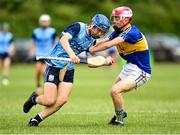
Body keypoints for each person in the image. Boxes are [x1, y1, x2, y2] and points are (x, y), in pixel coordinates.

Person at [23, 14, 112, 126]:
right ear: (92, 25)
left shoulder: (91, 40)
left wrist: (104, 62)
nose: (99, 34)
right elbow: (63, 40)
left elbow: (91, 63)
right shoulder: (78, 27)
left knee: (62, 100)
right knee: (49, 100)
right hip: (54, 65)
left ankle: (36, 120)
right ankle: (34, 99)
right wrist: (71, 55)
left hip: (68, 68)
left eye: (102, 32)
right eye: (98, 30)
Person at [89, 6, 151, 126]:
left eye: (117, 18)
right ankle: (121, 113)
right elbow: (104, 40)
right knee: (114, 91)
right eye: (114, 18)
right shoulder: (118, 31)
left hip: (141, 70)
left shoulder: (132, 32)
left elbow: (109, 45)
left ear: (126, 19)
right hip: (129, 66)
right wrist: (88, 45)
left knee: (115, 91)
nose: (114, 20)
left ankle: (119, 120)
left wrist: (92, 50)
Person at [30, 14, 56, 93]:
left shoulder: (52, 31)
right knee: (37, 70)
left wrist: (54, 52)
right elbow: (33, 42)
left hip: (48, 54)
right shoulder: (36, 31)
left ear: (49, 22)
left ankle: (48, 85)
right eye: (43, 21)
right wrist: (32, 50)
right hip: (38, 54)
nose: (44, 23)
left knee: (43, 71)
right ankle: (38, 85)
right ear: (40, 22)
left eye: (46, 21)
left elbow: (55, 42)